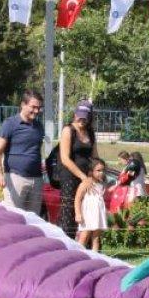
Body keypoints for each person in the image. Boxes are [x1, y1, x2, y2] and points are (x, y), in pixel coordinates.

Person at [0, 89, 45, 215]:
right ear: (23, 105)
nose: (36, 111)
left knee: (34, 220)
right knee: (15, 218)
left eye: (39, 108)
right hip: (16, 178)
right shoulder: (10, 124)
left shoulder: (39, 126)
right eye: (33, 107)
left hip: (36, 180)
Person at [56, 100, 96, 236]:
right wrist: (83, 176)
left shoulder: (90, 133)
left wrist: (94, 174)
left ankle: (85, 247)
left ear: (90, 117)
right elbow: (65, 159)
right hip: (70, 178)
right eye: (79, 115)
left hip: (86, 178)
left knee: (87, 212)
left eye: (85, 116)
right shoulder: (68, 130)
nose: (82, 119)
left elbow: (95, 157)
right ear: (74, 114)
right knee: (69, 214)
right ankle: (67, 243)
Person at [75, 156, 109, 251]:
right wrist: (78, 214)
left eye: (103, 170)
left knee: (96, 238)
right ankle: (79, 256)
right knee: (84, 236)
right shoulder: (85, 184)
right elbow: (77, 199)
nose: (101, 173)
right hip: (88, 214)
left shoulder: (102, 184)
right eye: (98, 170)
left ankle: (95, 258)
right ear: (91, 171)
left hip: (98, 214)